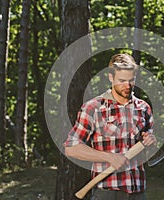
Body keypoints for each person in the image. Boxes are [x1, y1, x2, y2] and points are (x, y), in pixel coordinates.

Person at [64, 53, 156, 200]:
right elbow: (71, 148)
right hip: (107, 192)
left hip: (138, 191)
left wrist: (150, 142)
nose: (128, 85)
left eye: (131, 80)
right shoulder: (93, 108)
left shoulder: (143, 108)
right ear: (111, 77)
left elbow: (148, 153)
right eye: (122, 80)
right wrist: (108, 157)